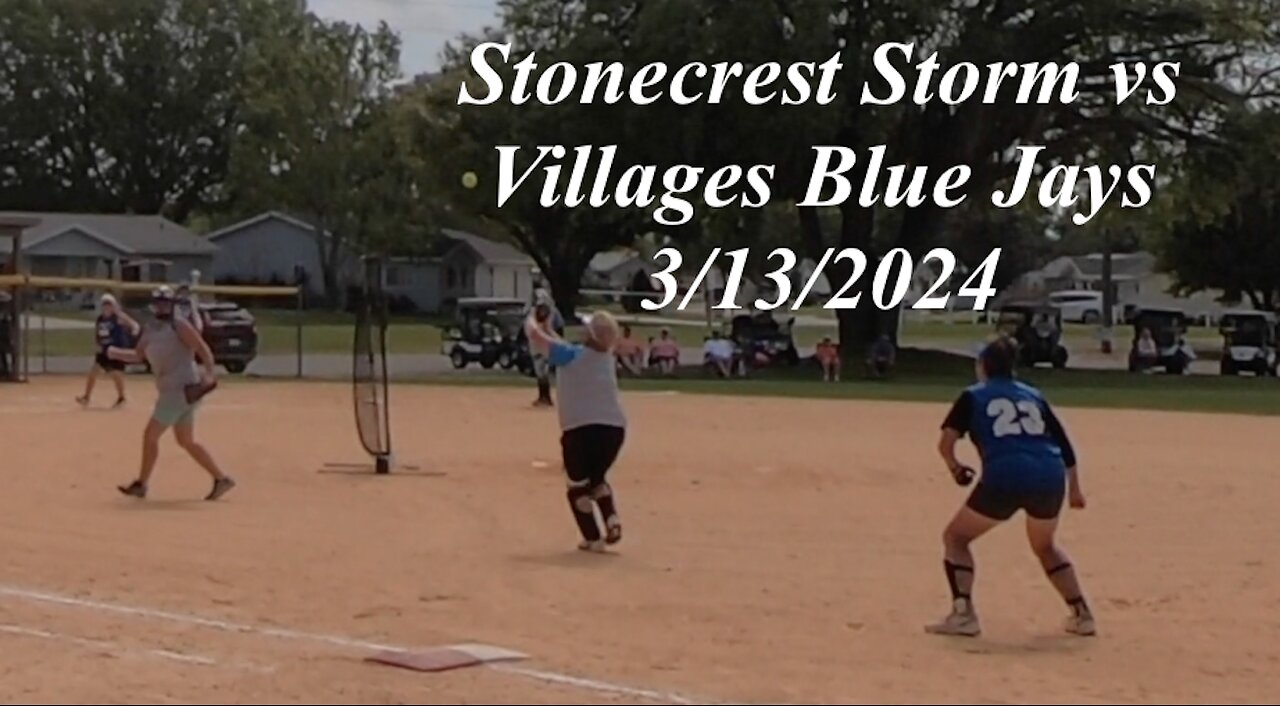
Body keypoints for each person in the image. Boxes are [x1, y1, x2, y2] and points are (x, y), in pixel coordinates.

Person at [928, 336, 1093, 638]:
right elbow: (1064, 444)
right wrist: (1075, 489)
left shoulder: (973, 396)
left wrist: (956, 468)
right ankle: (1082, 614)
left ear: (983, 367)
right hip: (1049, 475)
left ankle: (963, 614)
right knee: (1045, 546)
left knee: (956, 537)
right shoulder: (1033, 395)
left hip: (1006, 474)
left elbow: (946, 444)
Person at [108, 286, 235, 501]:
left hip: (181, 391)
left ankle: (142, 483)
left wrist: (209, 374)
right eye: (159, 302)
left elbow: (204, 350)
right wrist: (114, 352)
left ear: (172, 304)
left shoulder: (180, 326)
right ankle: (221, 478)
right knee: (185, 440)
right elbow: (138, 356)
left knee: (150, 436)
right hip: (172, 390)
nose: (162, 306)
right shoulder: (151, 329)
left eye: (166, 302)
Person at [524, 308, 627, 553]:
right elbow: (561, 347)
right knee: (597, 479)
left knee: (577, 487)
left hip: (580, 430)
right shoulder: (605, 357)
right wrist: (548, 327)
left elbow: (537, 339)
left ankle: (593, 538)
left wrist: (531, 319)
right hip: (614, 430)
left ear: (590, 334)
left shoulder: (571, 355)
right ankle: (612, 519)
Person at [77, 294, 139, 409]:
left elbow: (134, 324)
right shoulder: (100, 319)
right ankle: (86, 397)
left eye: (109, 304)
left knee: (116, 374)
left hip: (116, 350)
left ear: (113, 305)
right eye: (104, 304)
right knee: (93, 371)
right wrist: (97, 344)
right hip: (104, 349)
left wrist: (134, 330)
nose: (106, 306)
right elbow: (98, 334)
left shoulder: (118, 317)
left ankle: (121, 397)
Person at [530, 290, 564, 407]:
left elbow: (552, 328)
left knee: (542, 370)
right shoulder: (534, 311)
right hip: (537, 343)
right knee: (539, 371)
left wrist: (557, 341)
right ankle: (543, 396)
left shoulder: (550, 312)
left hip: (544, 343)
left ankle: (546, 397)